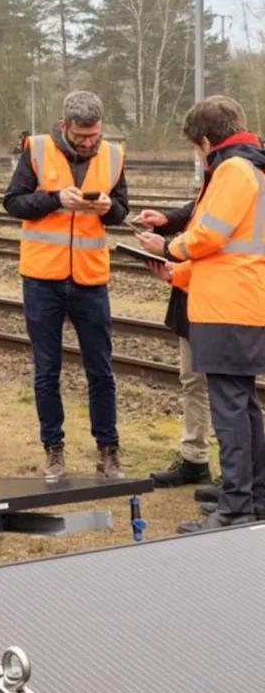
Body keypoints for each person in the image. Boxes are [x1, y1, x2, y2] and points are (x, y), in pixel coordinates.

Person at [138, 95, 265, 531]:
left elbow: (211, 234)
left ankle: (235, 508)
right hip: (242, 297)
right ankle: (253, 494)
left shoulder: (233, 168)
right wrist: (179, 274)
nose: (200, 156)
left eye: (197, 149)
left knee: (229, 408)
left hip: (227, 306)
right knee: (244, 405)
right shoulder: (256, 165)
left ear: (208, 141)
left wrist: (168, 247)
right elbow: (236, 248)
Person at [3, 91, 129, 479]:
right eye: (81, 137)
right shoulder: (37, 150)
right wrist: (56, 199)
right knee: (47, 370)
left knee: (101, 372)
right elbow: (13, 203)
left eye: (94, 136)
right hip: (43, 279)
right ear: (64, 127)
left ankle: (108, 452)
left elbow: (122, 210)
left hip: (91, 279)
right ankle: (53, 451)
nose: (89, 144)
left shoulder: (113, 156)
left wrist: (110, 210)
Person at [134, 201, 214, 489]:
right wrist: (166, 219)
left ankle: (240, 475)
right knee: (194, 382)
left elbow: (213, 237)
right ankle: (195, 460)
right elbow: (198, 209)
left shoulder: (241, 168)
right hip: (193, 296)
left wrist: (168, 247)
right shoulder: (220, 170)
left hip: (224, 300)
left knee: (231, 390)